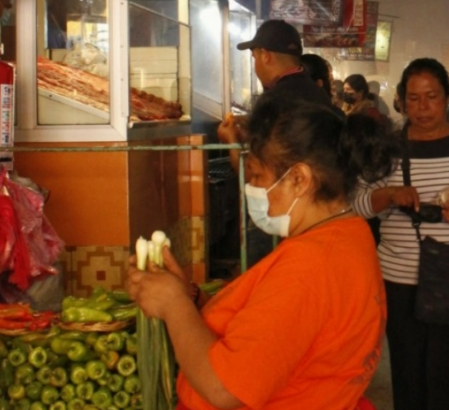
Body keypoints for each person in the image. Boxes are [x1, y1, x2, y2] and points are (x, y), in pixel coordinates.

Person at [128, 95, 397, 410]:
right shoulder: (346, 234)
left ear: (299, 179)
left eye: (256, 176)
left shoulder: (311, 266)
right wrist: (189, 299)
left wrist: (174, 306)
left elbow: (225, 389)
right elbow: (280, 331)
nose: (250, 187)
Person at [353, 58, 449, 410]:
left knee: (448, 372)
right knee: (408, 372)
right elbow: (355, 204)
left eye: (431, 97)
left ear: (448, 97)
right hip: (399, 280)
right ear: (402, 101)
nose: (422, 107)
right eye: (414, 98)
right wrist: (388, 195)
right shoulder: (387, 147)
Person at [218, 20, 336, 169]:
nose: (255, 66)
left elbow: (252, 172)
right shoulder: (316, 93)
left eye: (254, 58)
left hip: (289, 189)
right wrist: (253, 125)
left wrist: (231, 139)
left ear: (265, 56)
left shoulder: (273, 100)